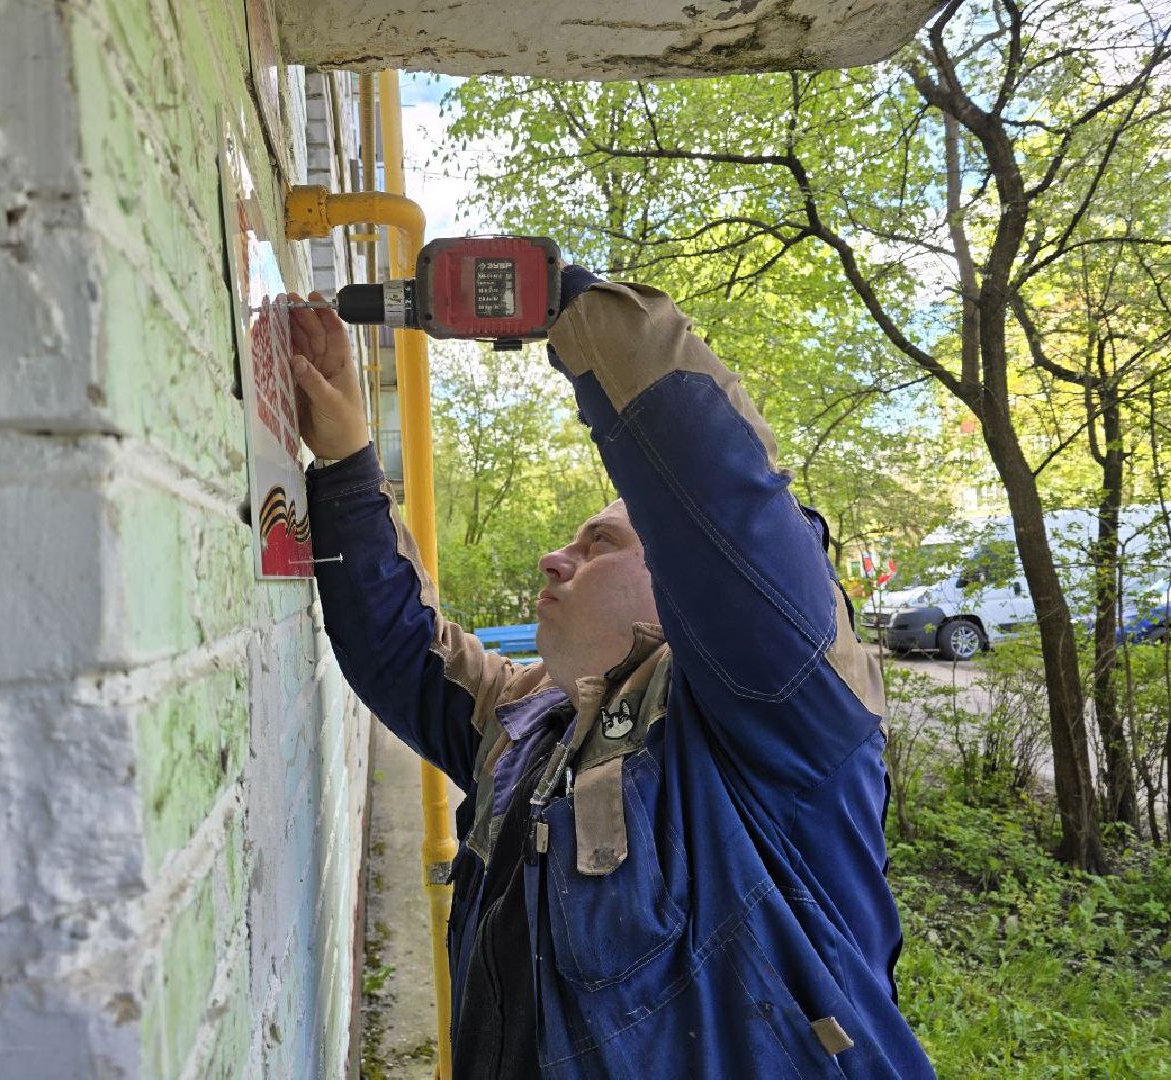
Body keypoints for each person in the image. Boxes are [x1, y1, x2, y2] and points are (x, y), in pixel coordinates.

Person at [284, 267, 934, 1078]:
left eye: (600, 544)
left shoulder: (776, 721)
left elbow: (726, 515)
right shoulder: (531, 721)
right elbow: (400, 651)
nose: (555, 559)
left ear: (686, 584)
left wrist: (571, 310)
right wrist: (344, 455)